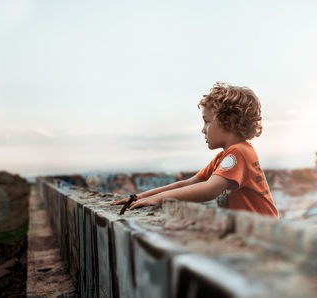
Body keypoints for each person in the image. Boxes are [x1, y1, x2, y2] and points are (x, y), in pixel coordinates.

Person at [111, 82, 278, 217]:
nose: (203, 129)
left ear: (230, 122)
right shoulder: (225, 156)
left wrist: (157, 200)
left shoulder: (238, 153)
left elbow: (209, 189)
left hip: (264, 238)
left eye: (207, 121)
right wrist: (140, 197)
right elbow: (189, 183)